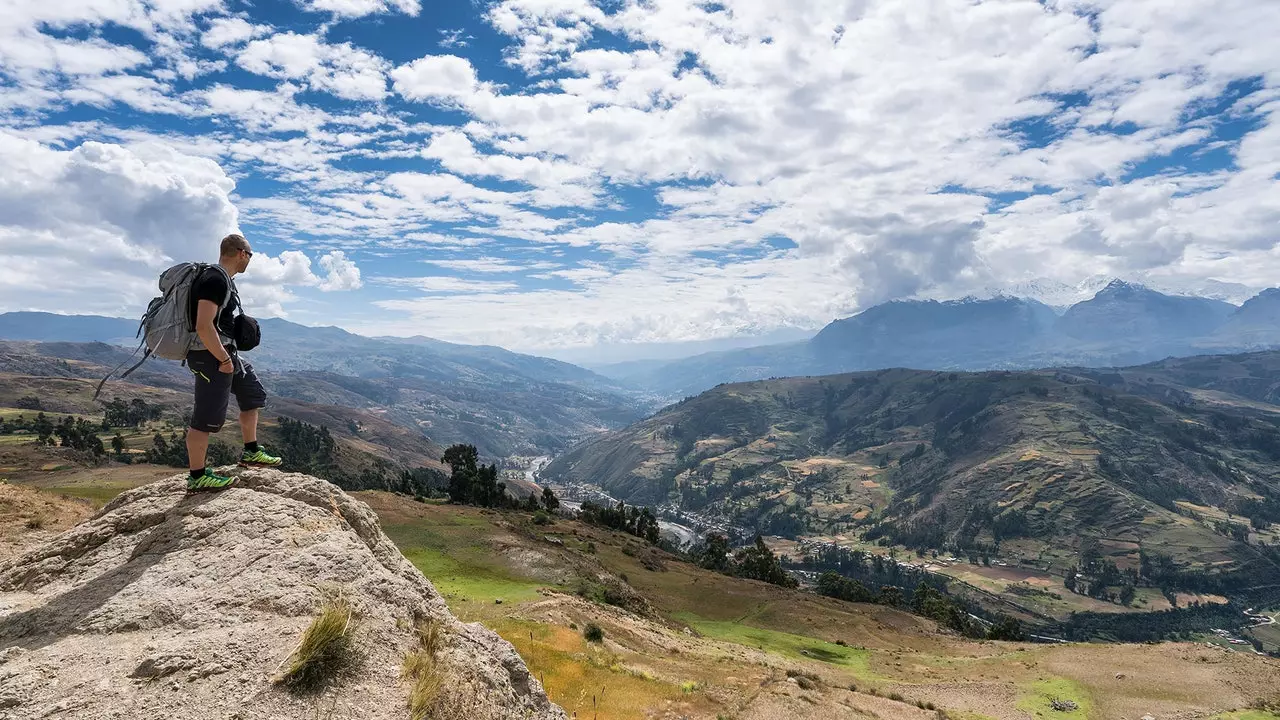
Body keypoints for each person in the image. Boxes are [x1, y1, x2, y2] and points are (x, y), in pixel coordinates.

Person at [186, 233, 283, 491]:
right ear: (241, 253)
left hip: (225, 353)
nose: (249, 261)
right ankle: (197, 477)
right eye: (250, 256)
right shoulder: (215, 279)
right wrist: (223, 359)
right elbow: (203, 325)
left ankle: (251, 451)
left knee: (252, 392)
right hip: (211, 357)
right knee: (205, 417)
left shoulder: (222, 280)